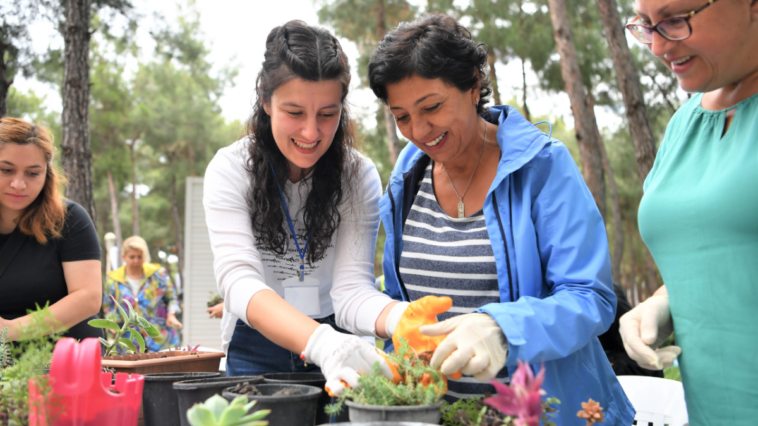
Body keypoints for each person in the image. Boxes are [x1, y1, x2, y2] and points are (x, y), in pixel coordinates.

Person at [367, 14, 634, 425]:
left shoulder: (543, 166)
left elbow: (590, 297)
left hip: (544, 413)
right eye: (401, 116)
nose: (419, 130)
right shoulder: (407, 176)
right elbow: (405, 302)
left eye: (432, 107)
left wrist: (501, 328)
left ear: (474, 85)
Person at [204, 20, 406, 395]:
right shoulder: (231, 170)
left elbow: (350, 291)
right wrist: (320, 344)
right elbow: (239, 283)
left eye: (327, 114)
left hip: (341, 336)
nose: (311, 133)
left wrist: (402, 319)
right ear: (266, 101)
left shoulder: (357, 174)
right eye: (294, 112)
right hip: (256, 343)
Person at [621, 0, 758, 424]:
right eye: (646, 26)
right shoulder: (686, 122)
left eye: (675, 21)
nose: (658, 46)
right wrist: (663, 302)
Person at [0, 117, 102, 341]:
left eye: (33, 173)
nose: (19, 184)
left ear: (47, 175)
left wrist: (10, 331)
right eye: (6, 170)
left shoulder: (71, 219)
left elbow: (89, 297)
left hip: (63, 361)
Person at [103, 235, 182, 352]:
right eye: (132, 257)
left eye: (139, 257)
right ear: (123, 257)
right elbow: (108, 305)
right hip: (128, 340)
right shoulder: (113, 279)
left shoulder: (158, 274)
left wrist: (171, 314)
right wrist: (111, 322)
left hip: (159, 337)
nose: (136, 260)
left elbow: (171, 297)